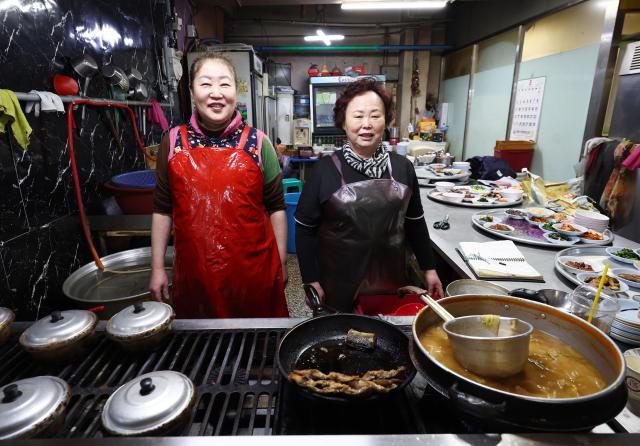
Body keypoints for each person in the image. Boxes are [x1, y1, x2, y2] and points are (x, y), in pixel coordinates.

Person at [149, 53, 289, 318]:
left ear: (236, 91)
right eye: (205, 84)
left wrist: (281, 261)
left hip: (253, 275)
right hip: (195, 277)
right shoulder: (172, 142)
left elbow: (277, 209)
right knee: (200, 351)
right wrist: (157, 268)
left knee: (257, 350)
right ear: (191, 91)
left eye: (224, 84)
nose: (216, 93)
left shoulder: (259, 143)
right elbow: (162, 209)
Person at [295, 78, 443, 312]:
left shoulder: (403, 168)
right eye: (358, 116)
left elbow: (415, 222)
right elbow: (304, 229)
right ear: (343, 121)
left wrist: (429, 268)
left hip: (393, 283)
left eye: (375, 116)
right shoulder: (324, 170)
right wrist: (310, 280)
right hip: (336, 285)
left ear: (386, 121)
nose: (367, 124)